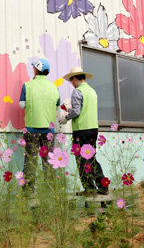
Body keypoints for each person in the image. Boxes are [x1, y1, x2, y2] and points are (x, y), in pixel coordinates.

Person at [60, 67, 108, 196]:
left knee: (82, 160)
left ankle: (89, 188)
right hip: (93, 129)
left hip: (81, 130)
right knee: (91, 158)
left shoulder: (77, 91)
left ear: (75, 78)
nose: (71, 83)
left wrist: (66, 116)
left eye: (71, 80)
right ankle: (103, 186)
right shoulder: (92, 91)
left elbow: (76, 111)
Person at [19, 59, 60, 191]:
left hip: (32, 128)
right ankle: (50, 190)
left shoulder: (27, 86)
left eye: (33, 68)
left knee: (31, 160)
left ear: (36, 70)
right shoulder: (54, 88)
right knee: (49, 161)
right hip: (49, 130)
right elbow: (58, 108)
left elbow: (21, 105)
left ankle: (28, 191)